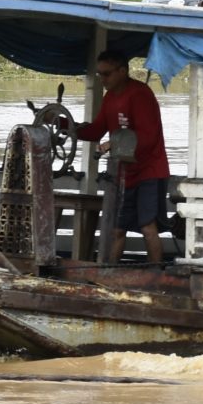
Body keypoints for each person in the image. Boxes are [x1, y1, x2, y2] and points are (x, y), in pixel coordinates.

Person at [50, 50, 172, 265]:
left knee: (148, 227)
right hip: (125, 173)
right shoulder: (110, 98)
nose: (102, 79)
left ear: (122, 71)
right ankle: (106, 275)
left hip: (149, 171)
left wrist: (113, 144)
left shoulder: (140, 95)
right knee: (117, 229)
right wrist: (61, 123)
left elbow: (148, 137)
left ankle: (156, 275)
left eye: (106, 74)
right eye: (99, 74)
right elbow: (95, 131)